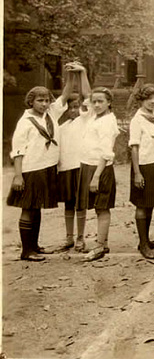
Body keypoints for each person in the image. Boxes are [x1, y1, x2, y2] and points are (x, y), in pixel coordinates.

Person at [8, 75, 74, 261]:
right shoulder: (25, 122)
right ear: (31, 101)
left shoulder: (50, 114)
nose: (44, 104)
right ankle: (26, 251)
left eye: (46, 100)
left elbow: (65, 96)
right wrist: (18, 176)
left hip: (48, 168)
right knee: (28, 207)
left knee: (37, 207)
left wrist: (72, 75)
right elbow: (18, 151)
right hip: (31, 169)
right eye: (40, 100)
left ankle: (34, 246)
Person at [129, 83, 154, 260]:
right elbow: (134, 148)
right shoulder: (137, 120)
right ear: (142, 100)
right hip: (143, 166)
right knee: (142, 204)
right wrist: (137, 173)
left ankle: (145, 239)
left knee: (150, 203)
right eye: (149, 98)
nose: (153, 101)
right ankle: (143, 244)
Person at [80, 88, 120, 262]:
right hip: (88, 165)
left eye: (100, 101)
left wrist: (96, 176)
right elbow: (86, 92)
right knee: (97, 207)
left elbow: (106, 152)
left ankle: (100, 245)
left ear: (109, 102)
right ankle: (102, 243)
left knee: (102, 207)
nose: (96, 105)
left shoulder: (108, 122)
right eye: (94, 101)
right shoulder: (94, 117)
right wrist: (81, 72)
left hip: (100, 169)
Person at [56, 63, 92, 252]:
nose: (73, 110)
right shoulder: (60, 128)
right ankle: (69, 238)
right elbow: (62, 98)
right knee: (69, 204)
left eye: (76, 107)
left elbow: (88, 96)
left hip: (80, 168)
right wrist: (70, 77)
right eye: (70, 107)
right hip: (65, 169)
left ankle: (80, 238)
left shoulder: (85, 120)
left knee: (80, 204)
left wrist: (81, 73)